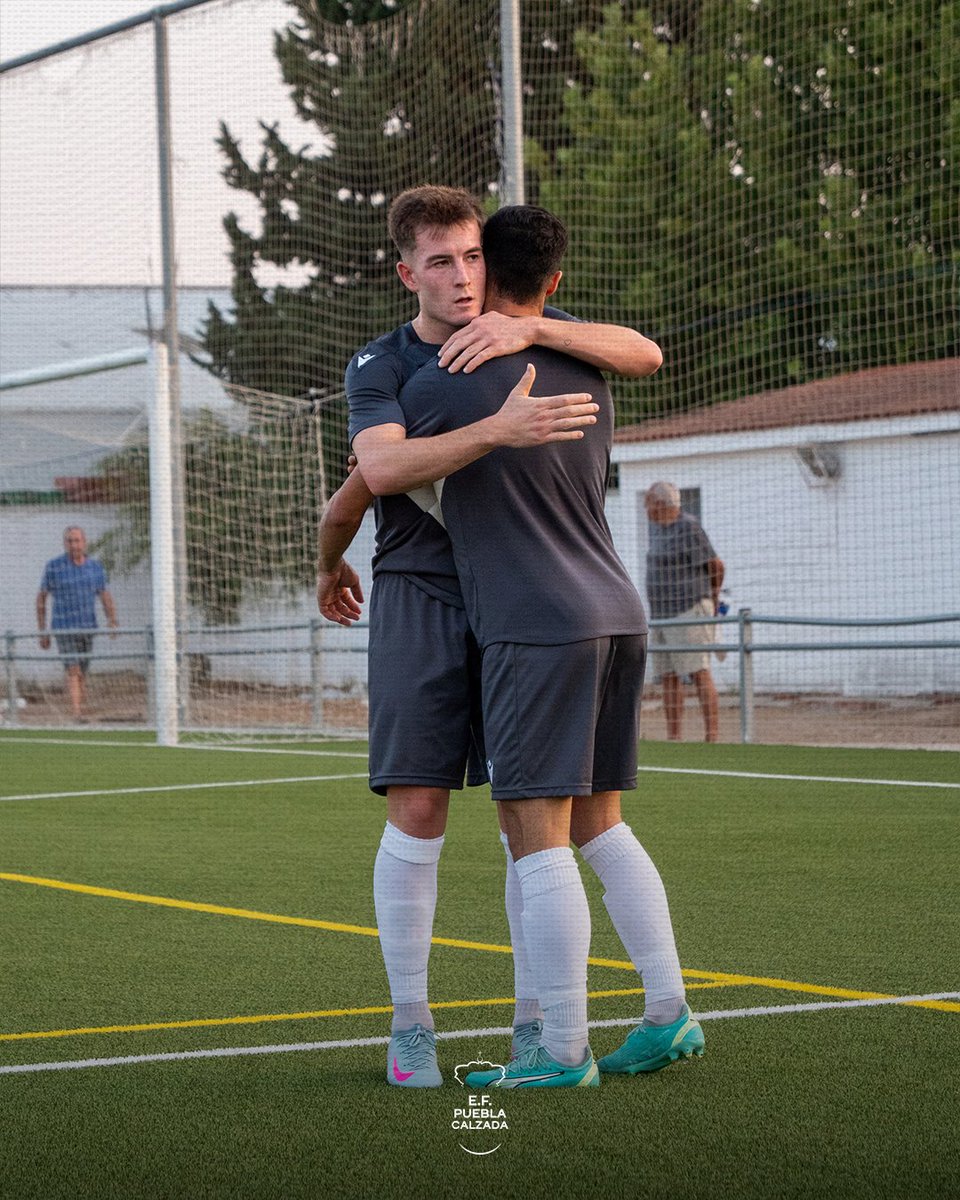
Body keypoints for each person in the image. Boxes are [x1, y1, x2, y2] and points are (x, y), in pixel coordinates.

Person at [324, 185, 657, 1088]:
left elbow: (643, 351)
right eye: (441, 261)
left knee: (531, 819)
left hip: (520, 601)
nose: (463, 276)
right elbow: (376, 470)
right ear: (408, 274)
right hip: (427, 596)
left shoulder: (529, 331)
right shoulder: (386, 365)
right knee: (422, 806)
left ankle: (537, 1022)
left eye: (472, 256)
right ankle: (412, 1023)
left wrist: (537, 332)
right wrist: (495, 429)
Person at [644, 481, 725, 742]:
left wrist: (712, 598)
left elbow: (716, 565)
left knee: (698, 670)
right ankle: (674, 736)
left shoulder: (689, 527)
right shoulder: (655, 529)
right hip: (661, 614)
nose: (645, 508)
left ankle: (711, 736)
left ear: (660, 503)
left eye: (648, 502)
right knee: (668, 675)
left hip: (689, 609)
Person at [36, 526, 118, 722]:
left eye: (77, 540)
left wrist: (112, 620)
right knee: (72, 668)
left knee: (82, 670)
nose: (74, 545)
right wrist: (43, 631)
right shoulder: (54, 567)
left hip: (88, 626)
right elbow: (41, 598)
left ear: (84, 542)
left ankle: (80, 705)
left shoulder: (95, 567)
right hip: (64, 627)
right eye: (69, 541)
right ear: (64, 543)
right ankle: (76, 712)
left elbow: (104, 595)